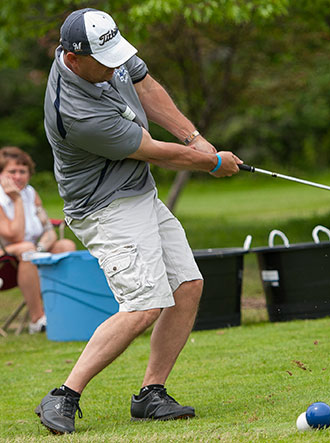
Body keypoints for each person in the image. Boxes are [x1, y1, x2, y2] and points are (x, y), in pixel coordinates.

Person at [36, 8, 242, 434]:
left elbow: (145, 86)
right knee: (144, 304)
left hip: (138, 192)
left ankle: (151, 394)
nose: (115, 66)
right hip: (104, 207)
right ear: (73, 60)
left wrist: (197, 139)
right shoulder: (73, 112)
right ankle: (63, 396)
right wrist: (211, 162)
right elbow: (152, 150)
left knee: (186, 286)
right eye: (104, 62)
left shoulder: (104, 50)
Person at [0, 146, 76, 334]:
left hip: (32, 252)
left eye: (23, 171)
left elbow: (48, 230)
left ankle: (61, 310)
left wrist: (40, 248)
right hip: (6, 260)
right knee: (27, 248)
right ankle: (37, 319)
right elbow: (14, 235)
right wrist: (16, 200)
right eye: (12, 172)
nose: (18, 177)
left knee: (65, 245)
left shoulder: (31, 193)